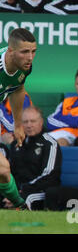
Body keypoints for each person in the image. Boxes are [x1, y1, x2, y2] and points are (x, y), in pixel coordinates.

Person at [0, 28, 37, 210]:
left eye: (33, 51)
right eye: (25, 52)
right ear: (10, 51)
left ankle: (20, 208)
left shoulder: (24, 68)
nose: (30, 57)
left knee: (3, 171)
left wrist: (18, 124)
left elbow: (17, 89)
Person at [5, 106, 62, 210]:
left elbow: (49, 175)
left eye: (33, 121)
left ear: (41, 122)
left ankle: (23, 225)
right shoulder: (16, 144)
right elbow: (10, 171)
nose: (29, 125)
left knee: (25, 199)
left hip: (40, 190)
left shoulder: (50, 143)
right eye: (25, 122)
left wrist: (23, 189)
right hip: (18, 189)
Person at [47, 68, 78, 147]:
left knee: (59, 143)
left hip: (77, 136)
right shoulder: (67, 101)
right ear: (75, 85)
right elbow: (50, 121)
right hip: (56, 133)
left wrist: (64, 118)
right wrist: (74, 122)